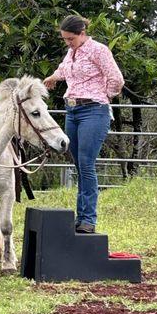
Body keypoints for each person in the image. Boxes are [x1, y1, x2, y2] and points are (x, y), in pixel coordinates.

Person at [44, 15, 124, 234]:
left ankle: (88, 218)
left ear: (81, 33)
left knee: (87, 163)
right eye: (65, 40)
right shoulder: (72, 52)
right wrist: (52, 78)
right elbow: (64, 70)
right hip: (72, 110)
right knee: (79, 164)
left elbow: (116, 78)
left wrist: (103, 95)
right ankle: (80, 218)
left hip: (94, 111)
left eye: (71, 38)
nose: (68, 43)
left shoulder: (99, 50)